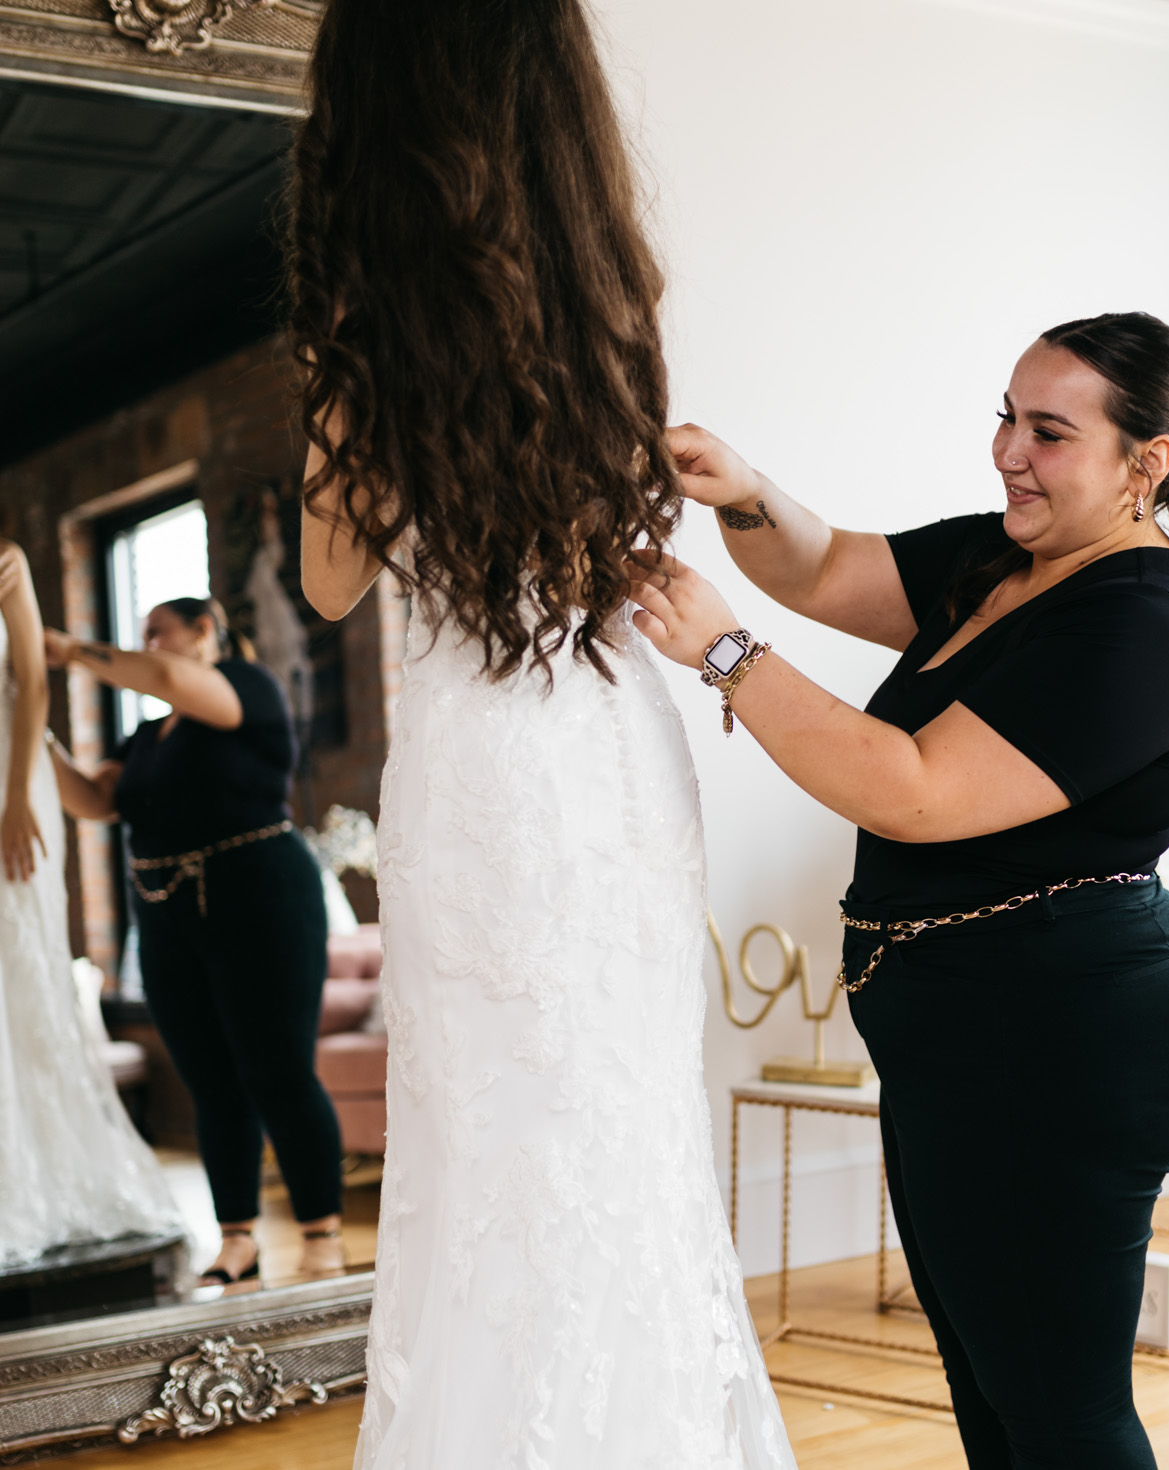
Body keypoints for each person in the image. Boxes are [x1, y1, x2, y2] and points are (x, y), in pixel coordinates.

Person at [290, 2, 795, 1467]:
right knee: (620, 1126)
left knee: (498, 1146)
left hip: (488, 767)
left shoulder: (369, 333)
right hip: (614, 749)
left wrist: (337, 390)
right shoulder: (606, 298)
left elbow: (329, 580)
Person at [630, 311, 1169, 1470]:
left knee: (1056, 1402)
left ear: (1146, 464)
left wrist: (725, 654)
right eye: (1006, 418)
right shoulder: (1007, 559)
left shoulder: (1139, 627)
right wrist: (742, 489)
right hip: (966, 1030)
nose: (1009, 452)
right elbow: (820, 567)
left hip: (1063, 1042)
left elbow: (912, 790)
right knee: (986, 1375)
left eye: (1049, 433)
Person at [43, 597, 344, 1284]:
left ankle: (321, 1234)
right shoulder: (150, 738)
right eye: (144, 635)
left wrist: (69, 649)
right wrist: (34, 735)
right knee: (210, 1081)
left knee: (277, 1070)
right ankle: (237, 1238)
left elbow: (169, 679)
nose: (148, 645)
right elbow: (95, 799)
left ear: (205, 631)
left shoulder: (247, 687)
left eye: (159, 633)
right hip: (167, 916)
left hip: (261, 901)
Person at [0, 541, 181, 1268]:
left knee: (20, 952)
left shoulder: (7, 559)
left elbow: (34, 685)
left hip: (12, 772)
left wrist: (16, 793)